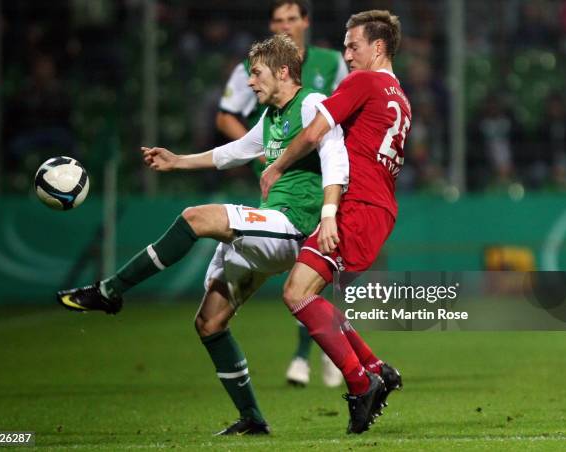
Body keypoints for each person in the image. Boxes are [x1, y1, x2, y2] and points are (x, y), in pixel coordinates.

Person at [57, 34, 348, 436]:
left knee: (196, 217)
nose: (250, 82)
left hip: (293, 228)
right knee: (209, 323)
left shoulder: (312, 104)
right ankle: (252, 420)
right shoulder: (273, 118)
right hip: (269, 229)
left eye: (257, 73)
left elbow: (335, 157)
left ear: (283, 72)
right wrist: (177, 162)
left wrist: (330, 213)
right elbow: (233, 152)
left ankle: (110, 291)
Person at [260, 10, 410, 434]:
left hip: (355, 207)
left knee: (296, 293)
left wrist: (277, 166)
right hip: (376, 208)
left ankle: (362, 382)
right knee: (311, 296)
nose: (346, 55)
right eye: (344, 46)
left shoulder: (363, 82)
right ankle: (375, 368)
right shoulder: (400, 96)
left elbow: (313, 132)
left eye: (353, 46)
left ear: (377, 48)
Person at [217, 0, 348, 387]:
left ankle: (309, 354)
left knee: (315, 272)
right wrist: (265, 152)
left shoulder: (329, 63)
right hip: (279, 182)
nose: (286, 25)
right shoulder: (254, 69)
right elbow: (226, 115)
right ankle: (318, 350)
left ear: (306, 21)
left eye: (293, 18)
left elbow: (343, 114)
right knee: (302, 273)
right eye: (278, 19)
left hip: (324, 180)